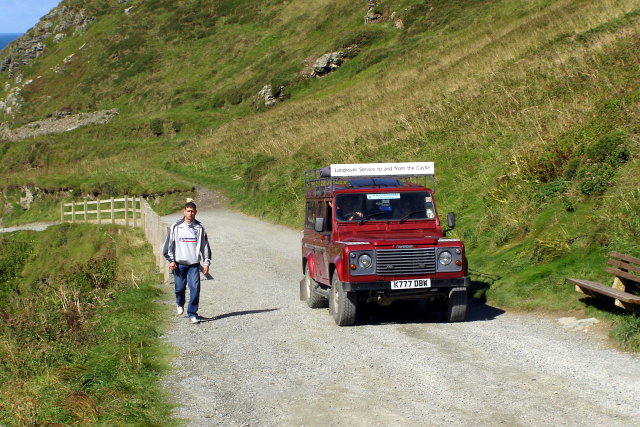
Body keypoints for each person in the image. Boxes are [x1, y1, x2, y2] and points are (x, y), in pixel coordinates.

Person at [162, 201, 211, 324]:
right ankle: (180, 303)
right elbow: (169, 245)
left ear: (196, 212)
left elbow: (205, 246)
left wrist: (206, 263)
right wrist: (171, 260)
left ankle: (192, 313)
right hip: (179, 264)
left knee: (195, 288)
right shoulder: (176, 226)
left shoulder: (199, 227)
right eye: (188, 211)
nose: (190, 213)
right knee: (179, 288)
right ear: (184, 211)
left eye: (192, 211)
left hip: (193, 264)